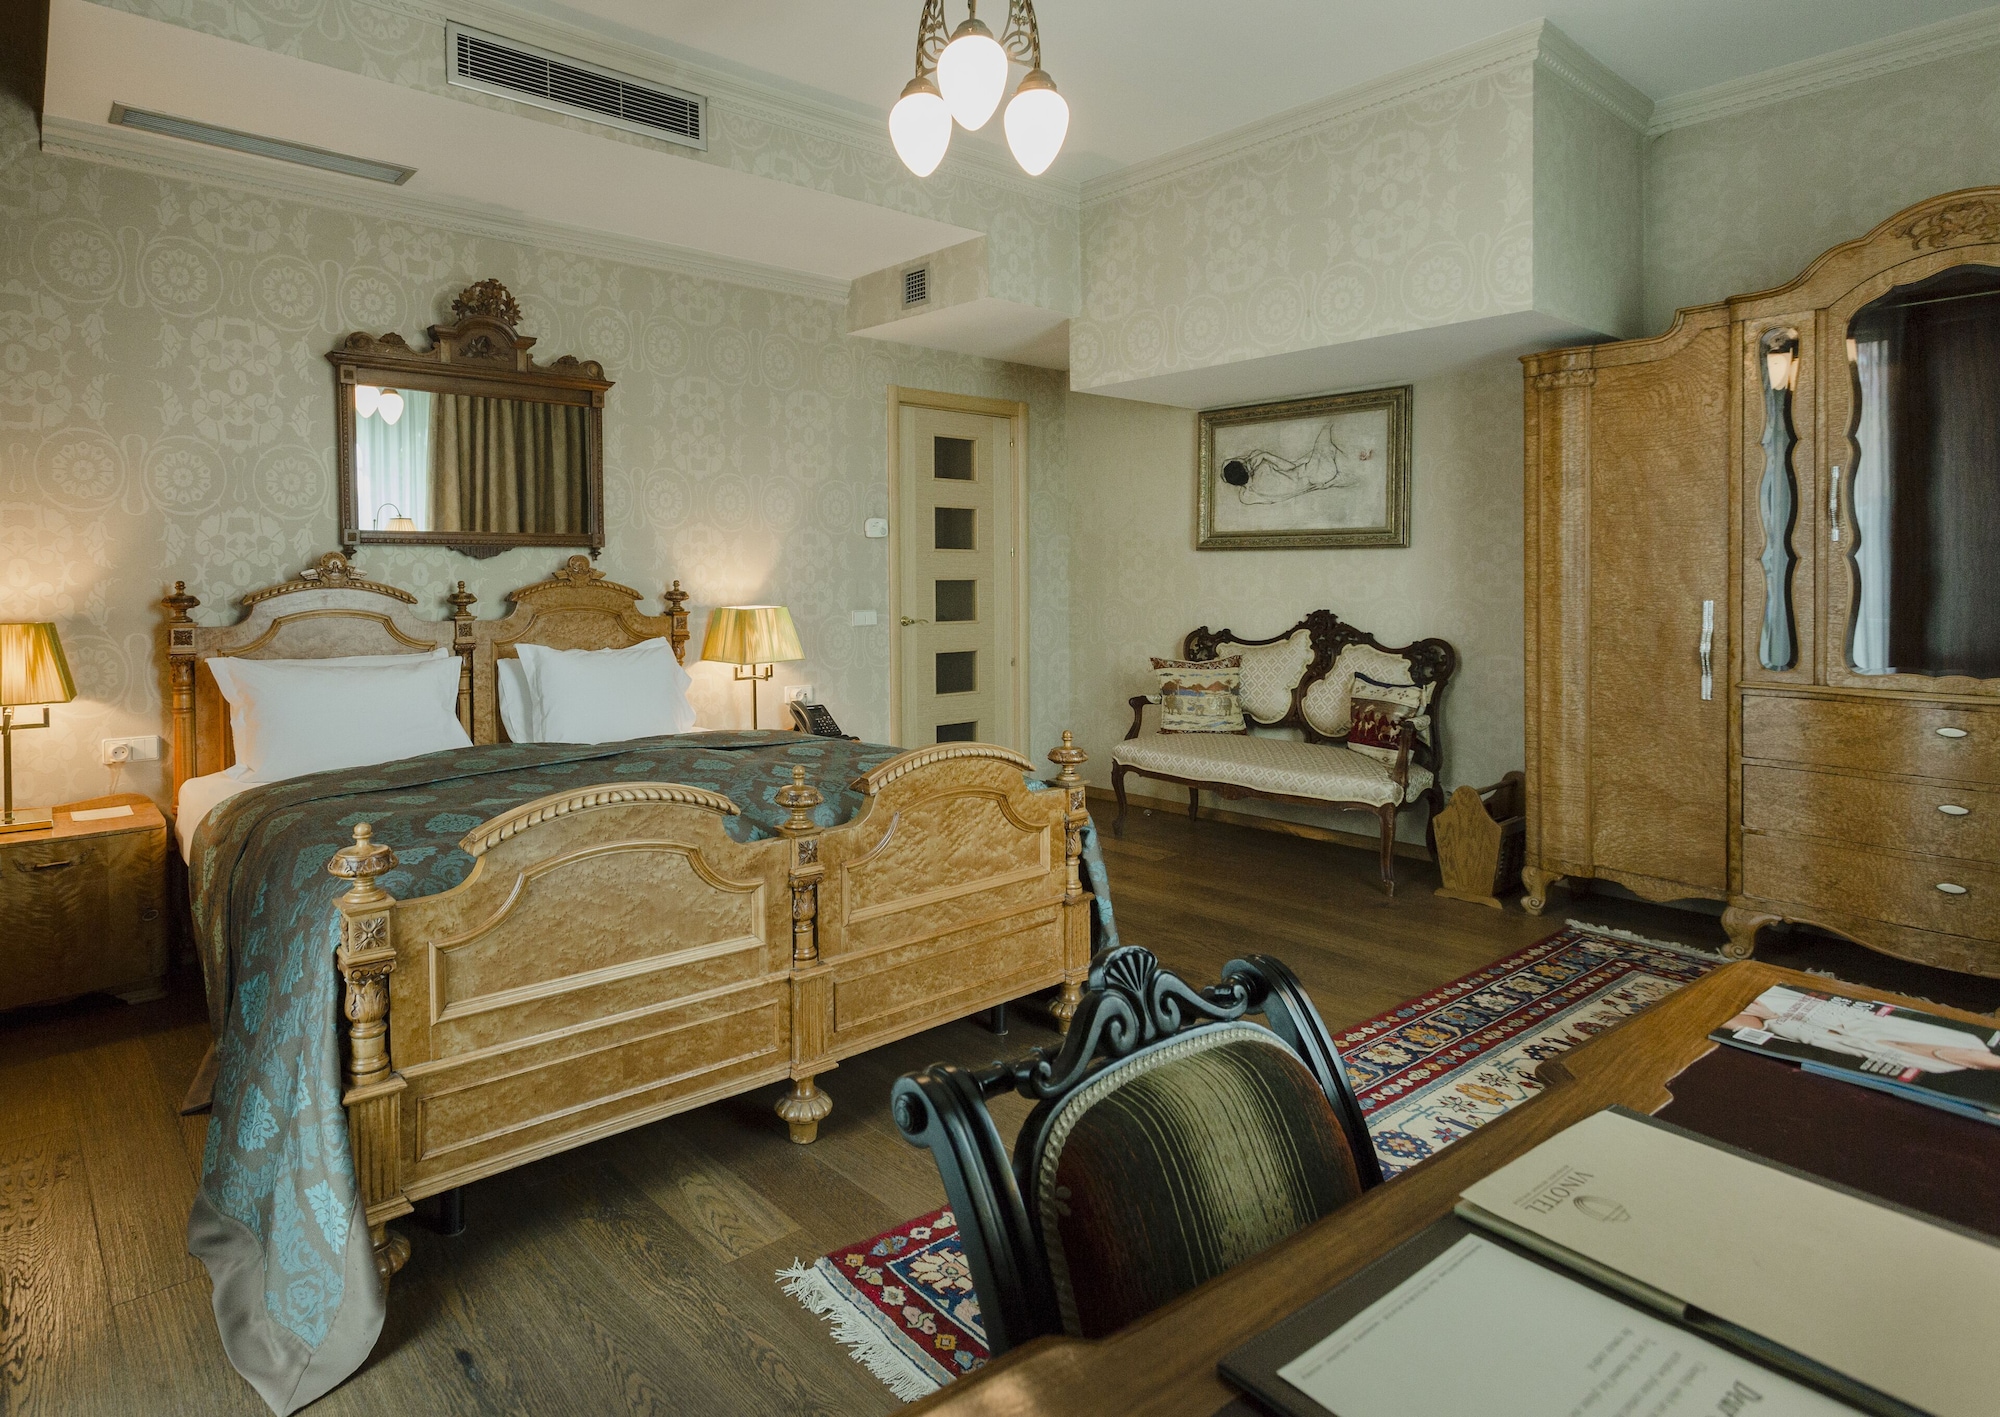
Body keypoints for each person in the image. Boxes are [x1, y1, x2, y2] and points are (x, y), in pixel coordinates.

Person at [1725, 986, 2000, 1074]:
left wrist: (1776, 1019)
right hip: (1830, 1016)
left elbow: (1853, 1048)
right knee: (1748, 999)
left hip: (1809, 1035)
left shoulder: (1943, 1068)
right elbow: (1874, 1023)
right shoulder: (1968, 1038)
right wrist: (1778, 1013)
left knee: (1738, 1025)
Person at [1219, 421, 1363, 504]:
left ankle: (1359, 458)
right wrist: (1264, 455)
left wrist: (1245, 467)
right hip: (1315, 471)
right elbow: (1291, 466)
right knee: (1328, 428)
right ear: (1246, 467)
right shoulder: (1263, 467)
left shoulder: (1247, 497)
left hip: (1316, 480)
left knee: (1342, 458)